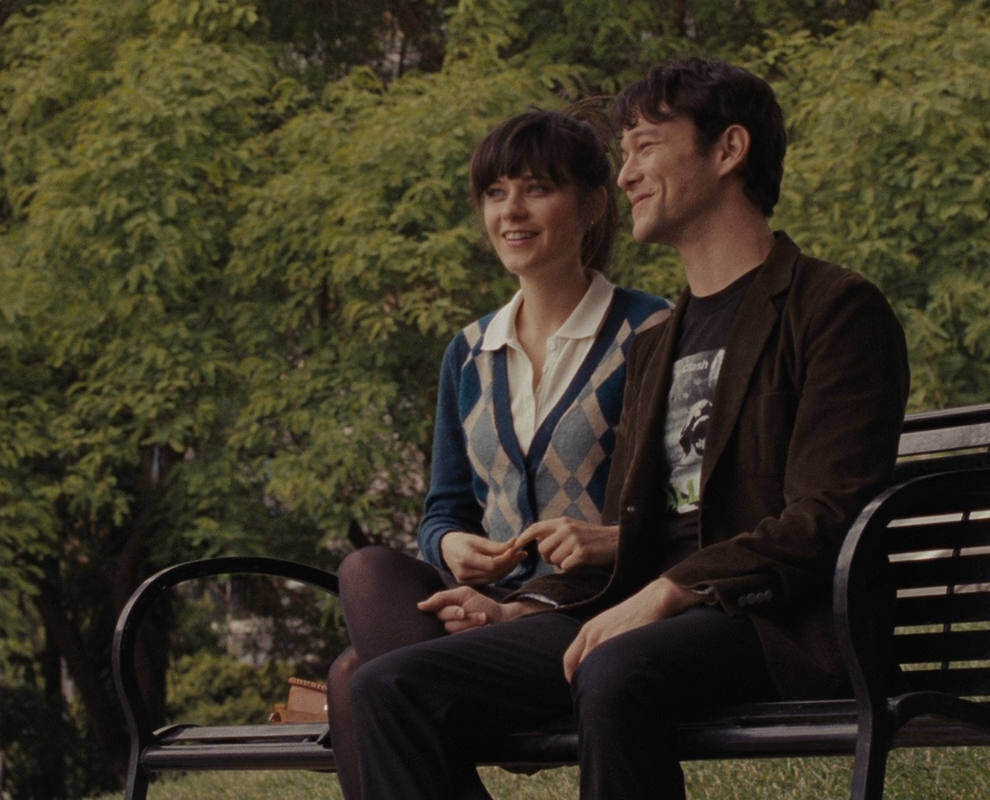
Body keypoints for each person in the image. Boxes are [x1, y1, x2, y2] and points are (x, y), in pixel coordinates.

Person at [347, 57, 911, 800]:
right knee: (384, 685)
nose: (625, 176)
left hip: (770, 620)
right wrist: (519, 608)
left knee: (614, 666)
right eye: (624, 153)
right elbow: (637, 535)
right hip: (640, 610)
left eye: (646, 147)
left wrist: (671, 591)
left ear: (729, 149)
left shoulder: (832, 308)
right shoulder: (658, 344)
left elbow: (826, 514)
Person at [325, 109, 672, 800]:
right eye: (494, 192)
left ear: (593, 204)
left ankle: (456, 704)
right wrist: (453, 547)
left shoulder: (651, 331)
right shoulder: (469, 352)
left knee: (356, 678)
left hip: (593, 611)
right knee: (365, 572)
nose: (510, 210)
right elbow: (443, 509)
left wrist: (600, 542)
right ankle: (460, 700)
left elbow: (682, 502)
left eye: (537, 188)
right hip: (489, 610)